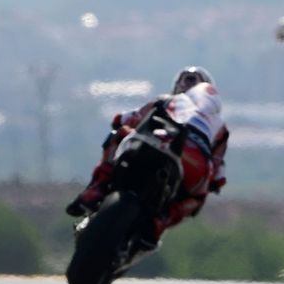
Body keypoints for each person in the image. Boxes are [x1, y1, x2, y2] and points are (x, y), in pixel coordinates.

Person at [65, 66, 229, 245]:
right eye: (188, 78)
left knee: (118, 135)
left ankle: (97, 187)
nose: (190, 80)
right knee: (196, 198)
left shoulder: (167, 100)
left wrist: (119, 120)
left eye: (192, 79)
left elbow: (126, 119)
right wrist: (213, 183)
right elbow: (218, 171)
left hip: (154, 145)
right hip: (192, 164)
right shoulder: (219, 125)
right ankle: (161, 221)